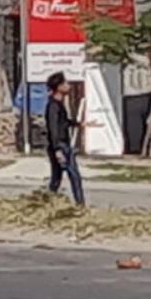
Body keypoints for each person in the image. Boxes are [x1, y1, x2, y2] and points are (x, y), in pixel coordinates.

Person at [44, 71, 91, 207]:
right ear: (58, 87)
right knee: (74, 175)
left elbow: (63, 122)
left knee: (56, 178)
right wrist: (57, 150)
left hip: (61, 144)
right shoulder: (53, 106)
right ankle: (80, 204)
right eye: (65, 83)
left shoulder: (59, 104)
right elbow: (53, 128)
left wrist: (79, 124)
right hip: (60, 145)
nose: (68, 86)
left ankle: (48, 201)